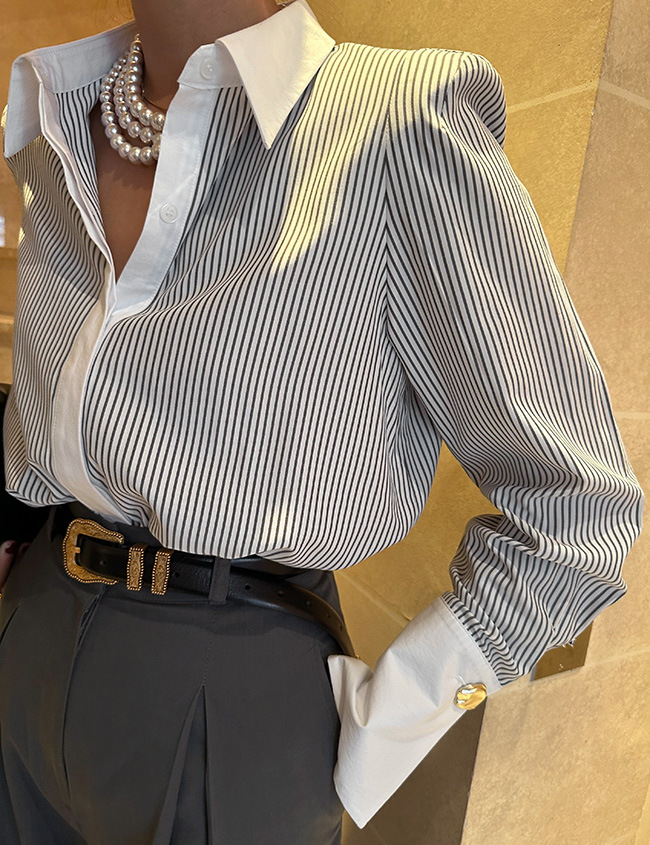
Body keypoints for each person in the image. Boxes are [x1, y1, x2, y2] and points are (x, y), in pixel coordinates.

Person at [0, 0, 644, 841]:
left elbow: (579, 504)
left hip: (228, 687)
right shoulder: (53, 120)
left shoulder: (394, 125)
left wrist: (392, 721)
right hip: (32, 624)